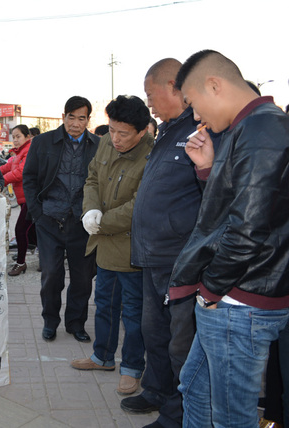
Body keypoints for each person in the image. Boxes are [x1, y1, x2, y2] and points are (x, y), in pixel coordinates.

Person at [170, 49, 289, 428]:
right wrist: (207, 170)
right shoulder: (250, 128)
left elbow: (248, 229)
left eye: (193, 104)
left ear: (214, 85)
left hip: (239, 301)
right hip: (234, 297)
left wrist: (211, 291)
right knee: (195, 388)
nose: (196, 116)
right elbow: (239, 210)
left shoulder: (263, 129)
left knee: (231, 417)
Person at [119, 58, 213, 428]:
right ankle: (157, 390)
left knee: (180, 341)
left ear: (174, 86)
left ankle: (177, 414)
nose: (150, 103)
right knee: (152, 330)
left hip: (178, 257)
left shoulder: (201, 130)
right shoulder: (167, 131)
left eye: (151, 94)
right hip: (152, 255)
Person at [71, 95, 153, 396]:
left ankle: (132, 368)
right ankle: (102, 356)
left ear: (142, 131)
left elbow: (139, 206)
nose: (116, 139)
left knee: (133, 312)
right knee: (104, 303)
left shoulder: (151, 157)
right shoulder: (106, 142)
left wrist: (102, 221)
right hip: (103, 245)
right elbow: (92, 178)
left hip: (131, 250)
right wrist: (90, 209)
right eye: (112, 129)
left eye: (124, 133)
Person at [23, 96, 99, 343]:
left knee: (82, 279)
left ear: (88, 120)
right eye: (71, 117)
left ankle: (76, 324)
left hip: (82, 223)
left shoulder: (98, 145)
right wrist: (38, 213)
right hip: (50, 221)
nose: (76, 123)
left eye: (82, 118)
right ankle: (50, 321)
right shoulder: (43, 142)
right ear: (63, 117)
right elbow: (30, 178)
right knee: (52, 275)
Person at [0, 124, 36, 276]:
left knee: (20, 229)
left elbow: (20, 173)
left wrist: (1, 182)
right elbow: (5, 168)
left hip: (30, 198)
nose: (15, 140)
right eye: (13, 137)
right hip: (23, 199)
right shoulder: (17, 155)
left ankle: (21, 263)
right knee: (31, 229)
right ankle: (40, 257)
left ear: (27, 137)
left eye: (18, 136)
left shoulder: (29, 152)